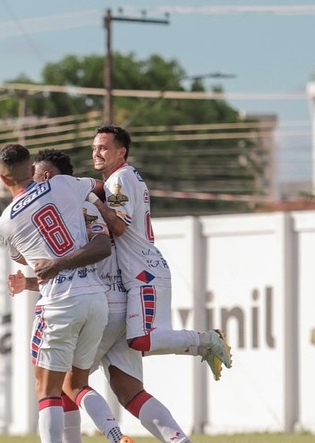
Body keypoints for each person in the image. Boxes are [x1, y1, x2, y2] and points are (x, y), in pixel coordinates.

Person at [11, 148, 213, 443]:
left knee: (66, 385)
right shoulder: (94, 201)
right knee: (129, 390)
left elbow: (72, 262)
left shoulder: (70, 209)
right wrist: (32, 281)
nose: (34, 182)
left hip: (95, 304)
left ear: (46, 177)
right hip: (124, 301)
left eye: (37, 176)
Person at [0, 144, 136, 443]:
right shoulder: (63, 185)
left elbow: (26, 259)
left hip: (58, 301)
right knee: (77, 384)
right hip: (95, 297)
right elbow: (98, 186)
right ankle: (116, 436)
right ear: (33, 170)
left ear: (3, 179)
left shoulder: (4, 223)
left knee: (47, 389)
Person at [87, 125, 232, 380]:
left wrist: (93, 201)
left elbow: (119, 227)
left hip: (144, 272)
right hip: (142, 271)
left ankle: (207, 340)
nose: (96, 153)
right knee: (140, 345)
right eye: (94, 148)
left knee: (142, 340)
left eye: (103, 148)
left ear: (121, 152)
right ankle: (202, 345)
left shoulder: (119, 179)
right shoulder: (123, 176)